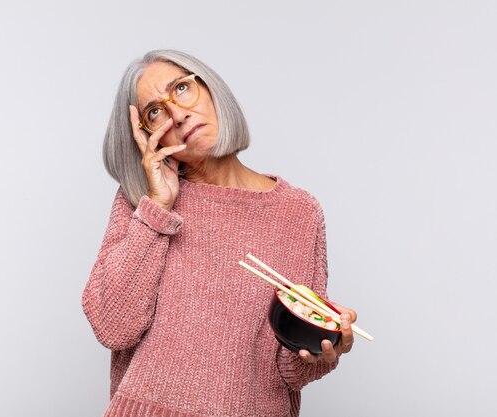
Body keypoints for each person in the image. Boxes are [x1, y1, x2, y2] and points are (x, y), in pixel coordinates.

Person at [82, 49, 357, 417]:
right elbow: (112, 327)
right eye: (155, 111)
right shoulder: (143, 202)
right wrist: (158, 209)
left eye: (181, 89)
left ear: (210, 89)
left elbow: (286, 369)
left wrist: (320, 350)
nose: (177, 113)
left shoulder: (298, 213)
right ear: (147, 136)